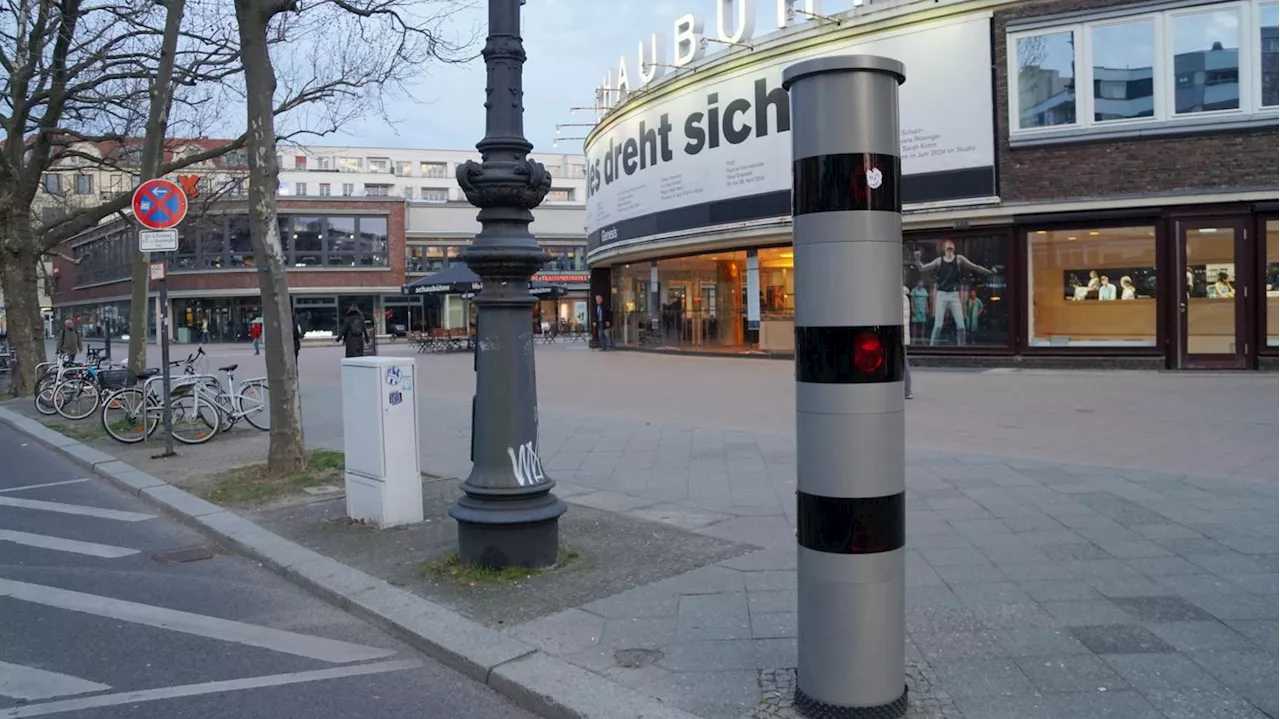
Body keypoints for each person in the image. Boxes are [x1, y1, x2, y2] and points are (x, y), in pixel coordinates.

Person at [912, 240, 995, 346]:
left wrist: (989, 272)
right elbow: (922, 268)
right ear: (944, 249)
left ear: (954, 248)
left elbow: (975, 267)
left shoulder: (959, 259)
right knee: (938, 326)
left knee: (961, 327)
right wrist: (918, 259)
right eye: (948, 246)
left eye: (951, 246)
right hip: (942, 295)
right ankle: (932, 348)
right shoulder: (939, 260)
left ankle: (961, 348)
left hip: (954, 295)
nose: (950, 247)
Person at [902, 286, 912, 400]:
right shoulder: (903, 296)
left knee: (902, 362)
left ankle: (907, 390)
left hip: (900, 335)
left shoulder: (901, 298)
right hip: (901, 335)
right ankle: (906, 390)